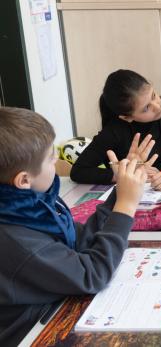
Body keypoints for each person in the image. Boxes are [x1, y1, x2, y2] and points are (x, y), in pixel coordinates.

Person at [0, 107, 148, 346]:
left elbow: (80, 241)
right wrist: (126, 204)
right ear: (24, 180)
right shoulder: (18, 240)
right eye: (50, 157)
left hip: (55, 309)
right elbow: (93, 274)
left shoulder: (30, 204)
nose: (57, 160)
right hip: (36, 332)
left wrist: (121, 189)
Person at [71, 69, 161, 190]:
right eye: (146, 108)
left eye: (154, 95)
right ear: (126, 117)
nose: (157, 107)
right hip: (129, 198)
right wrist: (124, 175)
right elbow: (78, 171)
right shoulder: (114, 130)